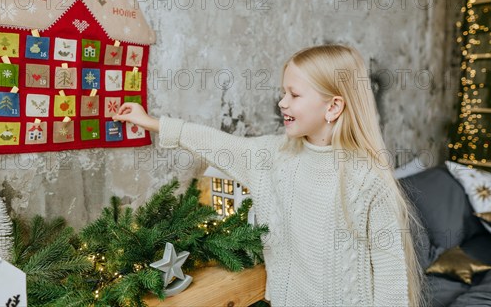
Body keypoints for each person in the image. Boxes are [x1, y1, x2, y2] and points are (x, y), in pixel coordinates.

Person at [113, 44, 424, 307]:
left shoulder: (368, 180)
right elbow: (218, 144)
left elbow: (390, 276)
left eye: (294, 95)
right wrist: (153, 122)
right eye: (282, 92)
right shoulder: (274, 157)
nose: (282, 102)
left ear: (333, 106)